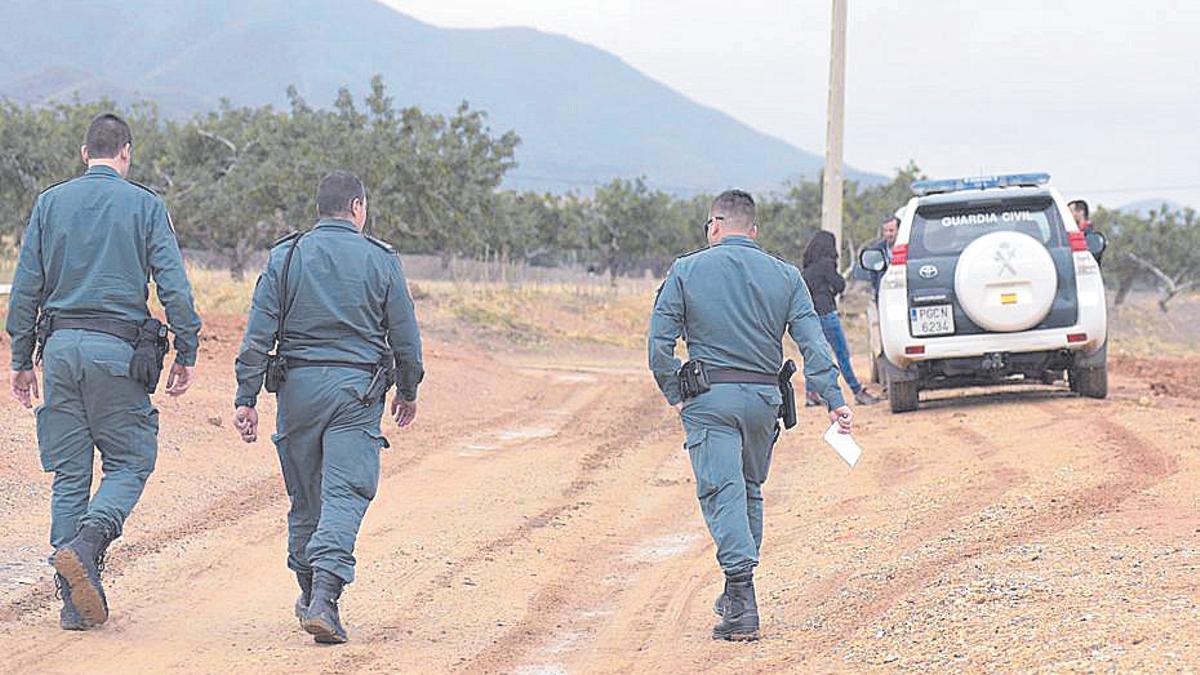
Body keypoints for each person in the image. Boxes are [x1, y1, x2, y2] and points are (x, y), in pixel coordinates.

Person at [6, 113, 202, 630]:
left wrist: (21, 360)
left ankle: (73, 603)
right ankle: (89, 543)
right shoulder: (145, 205)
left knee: (70, 474)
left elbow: (25, 290)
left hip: (59, 351)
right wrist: (187, 348)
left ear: (83, 152)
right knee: (131, 462)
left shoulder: (50, 203)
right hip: (117, 351)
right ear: (126, 152)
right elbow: (174, 287)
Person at [649, 189, 853, 642]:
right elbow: (814, 342)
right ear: (754, 230)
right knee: (748, 490)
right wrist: (833, 397)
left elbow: (659, 344)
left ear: (715, 225)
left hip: (710, 401)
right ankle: (737, 589)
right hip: (764, 401)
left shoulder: (686, 270)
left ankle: (741, 600)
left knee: (723, 491)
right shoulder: (786, 275)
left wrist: (673, 392)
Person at [232, 171, 424, 645]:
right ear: (357, 207)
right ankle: (324, 597)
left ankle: (308, 592)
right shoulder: (380, 259)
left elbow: (258, 334)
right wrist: (407, 389)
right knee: (345, 493)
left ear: (320, 209)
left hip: (296, 391)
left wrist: (246, 397)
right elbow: (405, 336)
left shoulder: (287, 255)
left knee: (306, 497)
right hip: (356, 394)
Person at [801, 231, 880, 407]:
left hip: (811, 317)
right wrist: (832, 290)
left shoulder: (807, 270)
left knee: (815, 355)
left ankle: (811, 393)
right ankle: (857, 391)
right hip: (827, 313)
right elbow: (840, 285)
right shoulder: (826, 264)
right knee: (842, 354)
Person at [852, 215, 899, 296]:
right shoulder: (876, 250)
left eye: (891, 230)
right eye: (885, 231)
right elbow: (873, 274)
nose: (888, 234)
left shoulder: (908, 247)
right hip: (883, 294)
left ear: (899, 230)